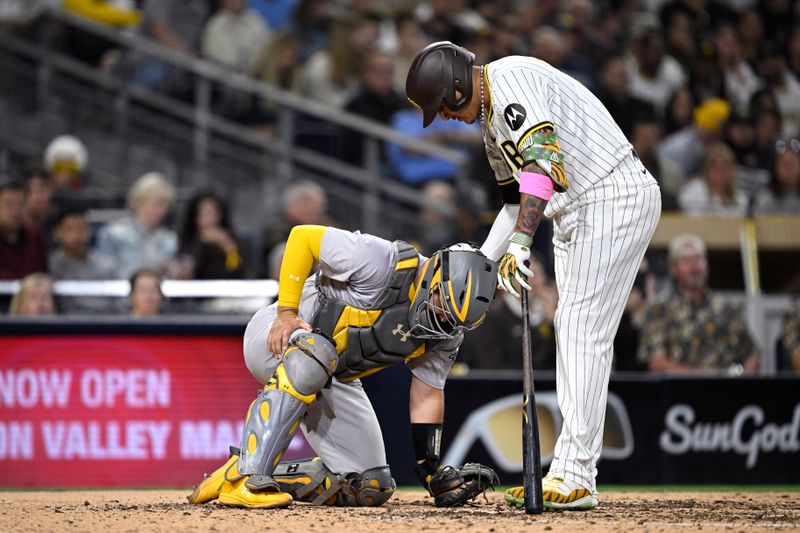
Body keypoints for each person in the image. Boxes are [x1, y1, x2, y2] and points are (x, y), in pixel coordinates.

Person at [406, 41, 661, 510]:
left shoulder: (510, 82)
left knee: (580, 328)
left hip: (610, 195)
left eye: (442, 105)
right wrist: (484, 261)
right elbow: (512, 201)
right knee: (577, 328)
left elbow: (541, 164)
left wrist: (523, 241)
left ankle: (576, 474)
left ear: (459, 86)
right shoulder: (491, 119)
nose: (442, 116)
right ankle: (570, 469)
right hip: (579, 210)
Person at [187, 225, 499, 509]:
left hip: (333, 375)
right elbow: (302, 237)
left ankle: (241, 468)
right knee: (316, 353)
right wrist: (286, 311)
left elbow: (427, 395)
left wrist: (430, 469)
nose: (442, 322)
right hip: (277, 337)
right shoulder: (382, 260)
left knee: (369, 485)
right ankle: (248, 478)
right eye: (444, 308)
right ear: (435, 274)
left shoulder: (446, 334)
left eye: (454, 321)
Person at [637, 234, 760, 374]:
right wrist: (702, 379)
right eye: (686, 261)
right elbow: (656, 363)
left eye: (698, 259)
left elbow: (752, 354)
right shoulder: (659, 310)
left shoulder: (726, 308)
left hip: (726, 391)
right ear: (673, 269)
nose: (694, 267)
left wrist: (742, 385)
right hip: (679, 391)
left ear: (706, 265)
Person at [95, 172, 178, 279]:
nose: (162, 211)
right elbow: (104, 275)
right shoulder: (112, 234)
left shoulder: (169, 240)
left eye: (165, 205)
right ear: (138, 202)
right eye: (157, 204)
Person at [48, 209, 117, 314]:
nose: (77, 235)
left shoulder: (106, 265)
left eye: (81, 228)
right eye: (70, 229)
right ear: (59, 232)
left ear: (89, 231)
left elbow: (117, 302)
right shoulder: (51, 265)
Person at [176, 190, 249, 279]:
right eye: (203, 214)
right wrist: (199, 241)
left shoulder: (230, 237)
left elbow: (238, 270)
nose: (209, 219)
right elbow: (188, 269)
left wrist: (228, 246)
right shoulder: (187, 239)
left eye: (213, 213)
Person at [0, 180, 48, 280]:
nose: (15, 210)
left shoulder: (34, 235)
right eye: (8, 204)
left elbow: (43, 275)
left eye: (20, 204)